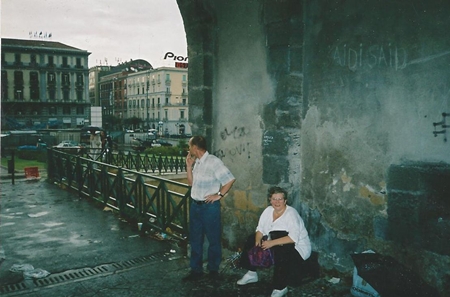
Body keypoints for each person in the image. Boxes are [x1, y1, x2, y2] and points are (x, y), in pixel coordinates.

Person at [236, 186, 311, 297]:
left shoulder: (291, 214)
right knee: (252, 239)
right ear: (270, 200)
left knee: (281, 246)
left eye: (280, 199)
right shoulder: (268, 210)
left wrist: (271, 243)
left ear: (285, 201)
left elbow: (292, 238)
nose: (277, 202)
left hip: (296, 249)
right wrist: (257, 240)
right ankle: (251, 273)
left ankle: (280, 287)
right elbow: (260, 229)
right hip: (275, 242)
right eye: (274, 199)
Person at [182, 135, 236, 282]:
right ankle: (196, 270)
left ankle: (213, 270)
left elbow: (230, 179)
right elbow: (191, 184)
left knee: (213, 239)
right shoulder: (198, 162)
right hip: (195, 206)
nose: (188, 149)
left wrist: (219, 195)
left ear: (195, 147)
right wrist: (188, 166)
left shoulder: (213, 162)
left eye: (189, 146)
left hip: (209, 208)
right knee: (195, 239)